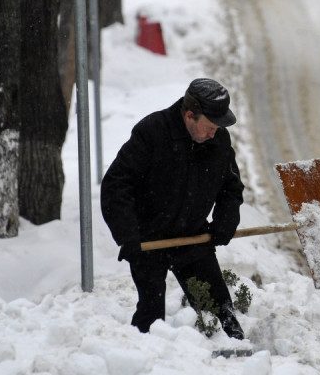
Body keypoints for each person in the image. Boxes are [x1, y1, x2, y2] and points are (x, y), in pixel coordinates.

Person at [101, 78, 245, 339]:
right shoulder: (152, 133)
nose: (214, 133)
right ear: (189, 115)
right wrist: (127, 234)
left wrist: (226, 219)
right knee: (151, 319)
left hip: (192, 238)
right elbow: (115, 185)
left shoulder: (218, 142)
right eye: (210, 126)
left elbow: (230, 188)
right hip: (148, 241)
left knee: (221, 316)